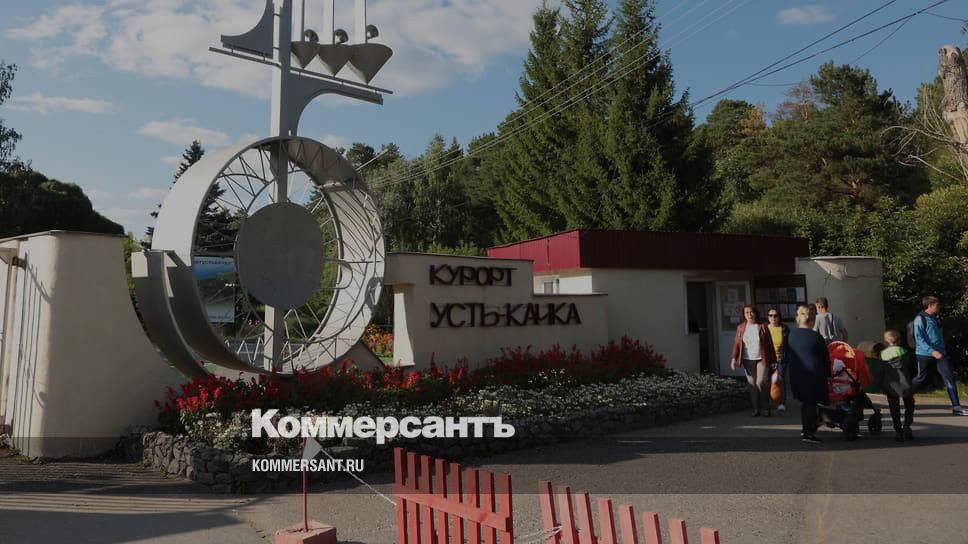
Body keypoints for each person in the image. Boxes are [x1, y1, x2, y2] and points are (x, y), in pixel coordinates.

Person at [911, 296, 968, 416]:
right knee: (921, 378)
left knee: (949, 377)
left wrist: (942, 351)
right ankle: (907, 397)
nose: (939, 307)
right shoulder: (920, 319)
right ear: (930, 305)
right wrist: (932, 351)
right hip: (924, 354)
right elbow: (919, 339)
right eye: (937, 305)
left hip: (941, 354)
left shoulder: (936, 318)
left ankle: (956, 407)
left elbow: (939, 336)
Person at [787, 305, 830, 443]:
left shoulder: (791, 335)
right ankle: (808, 433)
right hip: (813, 375)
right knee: (811, 403)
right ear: (812, 321)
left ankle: (806, 429)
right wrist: (828, 373)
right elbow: (825, 358)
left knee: (806, 403)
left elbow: (786, 355)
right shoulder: (815, 336)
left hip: (796, 374)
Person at [731, 304, 777, 417]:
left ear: (755, 313)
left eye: (751, 312)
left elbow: (770, 344)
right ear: (744, 315)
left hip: (762, 359)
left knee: (760, 382)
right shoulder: (741, 328)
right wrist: (733, 358)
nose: (749, 315)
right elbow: (737, 343)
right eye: (746, 313)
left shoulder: (762, 326)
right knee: (752, 385)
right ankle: (756, 409)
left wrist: (773, 361)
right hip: (747, 360)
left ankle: (766, 407)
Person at [877, 330, 915, 441]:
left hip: (890, 385)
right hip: (905, 383)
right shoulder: (904, 352)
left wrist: (879, 385)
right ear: (899, 341)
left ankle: (898, 430)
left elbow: (880, 372)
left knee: (894, 408)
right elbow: (911, 367)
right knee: (909, 405)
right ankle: (907, 425)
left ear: (885, 342)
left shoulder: (882, 354)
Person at [766, 306, 790, 412]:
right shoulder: (765, 329)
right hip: (768, 359)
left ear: (779, 317)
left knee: (779, 380)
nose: (773, 318)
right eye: (770, 315)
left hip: (781, 359)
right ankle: (769, 401)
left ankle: (781, 402)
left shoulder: (784, 329)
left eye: (775, 316)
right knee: (768, 380)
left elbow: (789, 345)